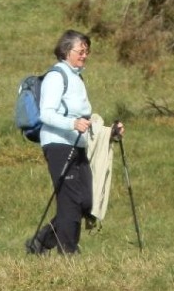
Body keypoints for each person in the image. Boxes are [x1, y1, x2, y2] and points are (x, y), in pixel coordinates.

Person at [26, 29, 123, 255]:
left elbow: (85, 119)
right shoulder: (56, 76)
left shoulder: (76, 77)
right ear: (67, 51)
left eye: (87, 51)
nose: (85, 55)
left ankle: (39, 242)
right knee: (70, 199)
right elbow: (46, 114)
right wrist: (72, 124)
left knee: (86, 201)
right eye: (81, 51)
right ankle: (68, 251)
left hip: (78, 144)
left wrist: (111, 132)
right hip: (58, 144)